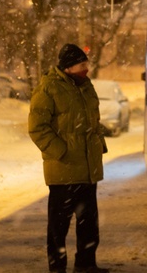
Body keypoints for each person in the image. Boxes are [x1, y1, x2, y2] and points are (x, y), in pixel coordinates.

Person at [28, 44, 110, 273]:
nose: (87, 69)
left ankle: (86, 264)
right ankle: (57, 267)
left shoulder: (85, 86)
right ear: (69, 67)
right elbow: (37, 128)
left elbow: (92, 122)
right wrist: (61, 152)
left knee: (88, 224)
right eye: (82, 65)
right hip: (63, 170)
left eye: (87, 64)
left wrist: (97, 145)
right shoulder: (48, 89)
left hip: (87, 169)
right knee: (58, 227)